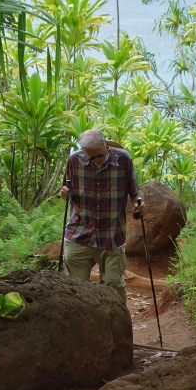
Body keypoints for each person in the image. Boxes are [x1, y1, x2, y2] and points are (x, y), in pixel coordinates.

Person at [59, 129, 143, 301]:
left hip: (112, 235)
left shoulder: (124, 159)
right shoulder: (74, 161)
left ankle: (119, 323)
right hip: (79, 233)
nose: (98, 160)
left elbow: (135, 191)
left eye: (100, 154)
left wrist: (139, 202)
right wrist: (64, 193)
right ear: (83, 152)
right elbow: (64, 189)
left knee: (113, 284)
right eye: (91, 157)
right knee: (76, 289)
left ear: (105, 145)